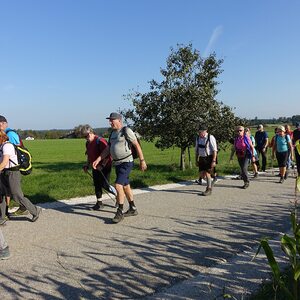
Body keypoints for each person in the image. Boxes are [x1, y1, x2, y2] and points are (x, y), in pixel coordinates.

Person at [92, 112, 147, 223]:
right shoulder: (112, 133)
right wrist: (98, 159)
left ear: (119, 121)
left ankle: (120, 211)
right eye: (110, 120)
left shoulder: (126, 131)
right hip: (117, 163)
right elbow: (108, 149)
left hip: (126, 162)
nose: (110, 122)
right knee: (126, 186)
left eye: (112, 120)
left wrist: (142, 161)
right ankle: (133, 208)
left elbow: (136, 145)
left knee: (118, 185)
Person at [0, 131, 41, 222]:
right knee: (2, 194)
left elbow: (4, 162)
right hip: (4, 173)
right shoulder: (1, 146)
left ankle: (35, 210)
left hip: (13, 173)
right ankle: (2, 217)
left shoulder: (7, 146)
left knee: (17, 195)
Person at [81, 125, 116, 210]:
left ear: (92, 132)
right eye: (84, 136)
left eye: (87, 135)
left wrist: (102, 165)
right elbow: (89, 156)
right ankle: (99, 203)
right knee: (97, 184)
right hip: (95, 166)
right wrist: (87, 165)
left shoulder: (100, 141)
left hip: (105, 165)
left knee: (105, 185)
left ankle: (118, 195)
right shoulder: (87, 143)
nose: (86, 138)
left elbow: (108, 154)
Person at [0, 115, 25, 218]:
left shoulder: (10, 134)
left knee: (12, 191)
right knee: (8, 191)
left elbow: (14, 149)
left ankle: (27, 207)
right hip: (7, 167)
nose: (0, 125)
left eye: (1, 123)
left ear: (5, 123)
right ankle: (5, 212)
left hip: (12, 167)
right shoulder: (6, 133)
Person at [195, 124, 217, 196]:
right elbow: (196, 150)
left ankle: (208, 189)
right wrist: (196, 160)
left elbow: (214, 150)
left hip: (209, 158)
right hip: (201, 158)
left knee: (207, 173)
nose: (199, 133)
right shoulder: (198, 138)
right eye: (198, 131)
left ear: (205, 131)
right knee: (202, 174)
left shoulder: (210, 137)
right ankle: (213, 177)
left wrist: (213, 160)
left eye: (200, 131)